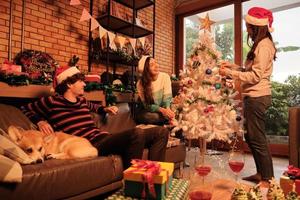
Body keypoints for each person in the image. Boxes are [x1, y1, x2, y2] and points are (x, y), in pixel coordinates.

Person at [21, 66, 169, 169]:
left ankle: (154, 177)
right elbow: (24, 108)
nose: (84, 84)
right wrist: (39, 121)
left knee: (161, 132)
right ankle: (133, 181)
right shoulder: (52, 101)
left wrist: (105, 109)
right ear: (69, 84)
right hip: (87, 144)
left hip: (103, 137)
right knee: (137, 133)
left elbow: (96, 108)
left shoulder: (82, 101)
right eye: (80, 81)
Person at [219, 7, 277, 185]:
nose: (247, 30)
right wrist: (234, 67)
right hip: (253, 97)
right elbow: (249, 70)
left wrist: (230, 73)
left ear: (256, 26)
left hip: (258, 98)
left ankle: (267, 178)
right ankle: (261, 174)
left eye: (248, 26)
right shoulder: (260, 44)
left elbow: (255, 76)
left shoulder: (264, 45)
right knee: (252, 136)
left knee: (257, 137)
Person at [136, 55, 175, 125]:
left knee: (173, 112)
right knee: (150, 116)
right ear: (145, 69)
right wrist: (162, 111)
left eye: (156, 63)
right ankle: (165, 119)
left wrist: (168, 110)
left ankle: (166, 119)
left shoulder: (165, 77)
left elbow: (167, 98)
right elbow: (147, 106)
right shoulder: (140, 84)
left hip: (164, 110)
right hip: (149, 111)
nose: (156, 66)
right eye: (152, 65)